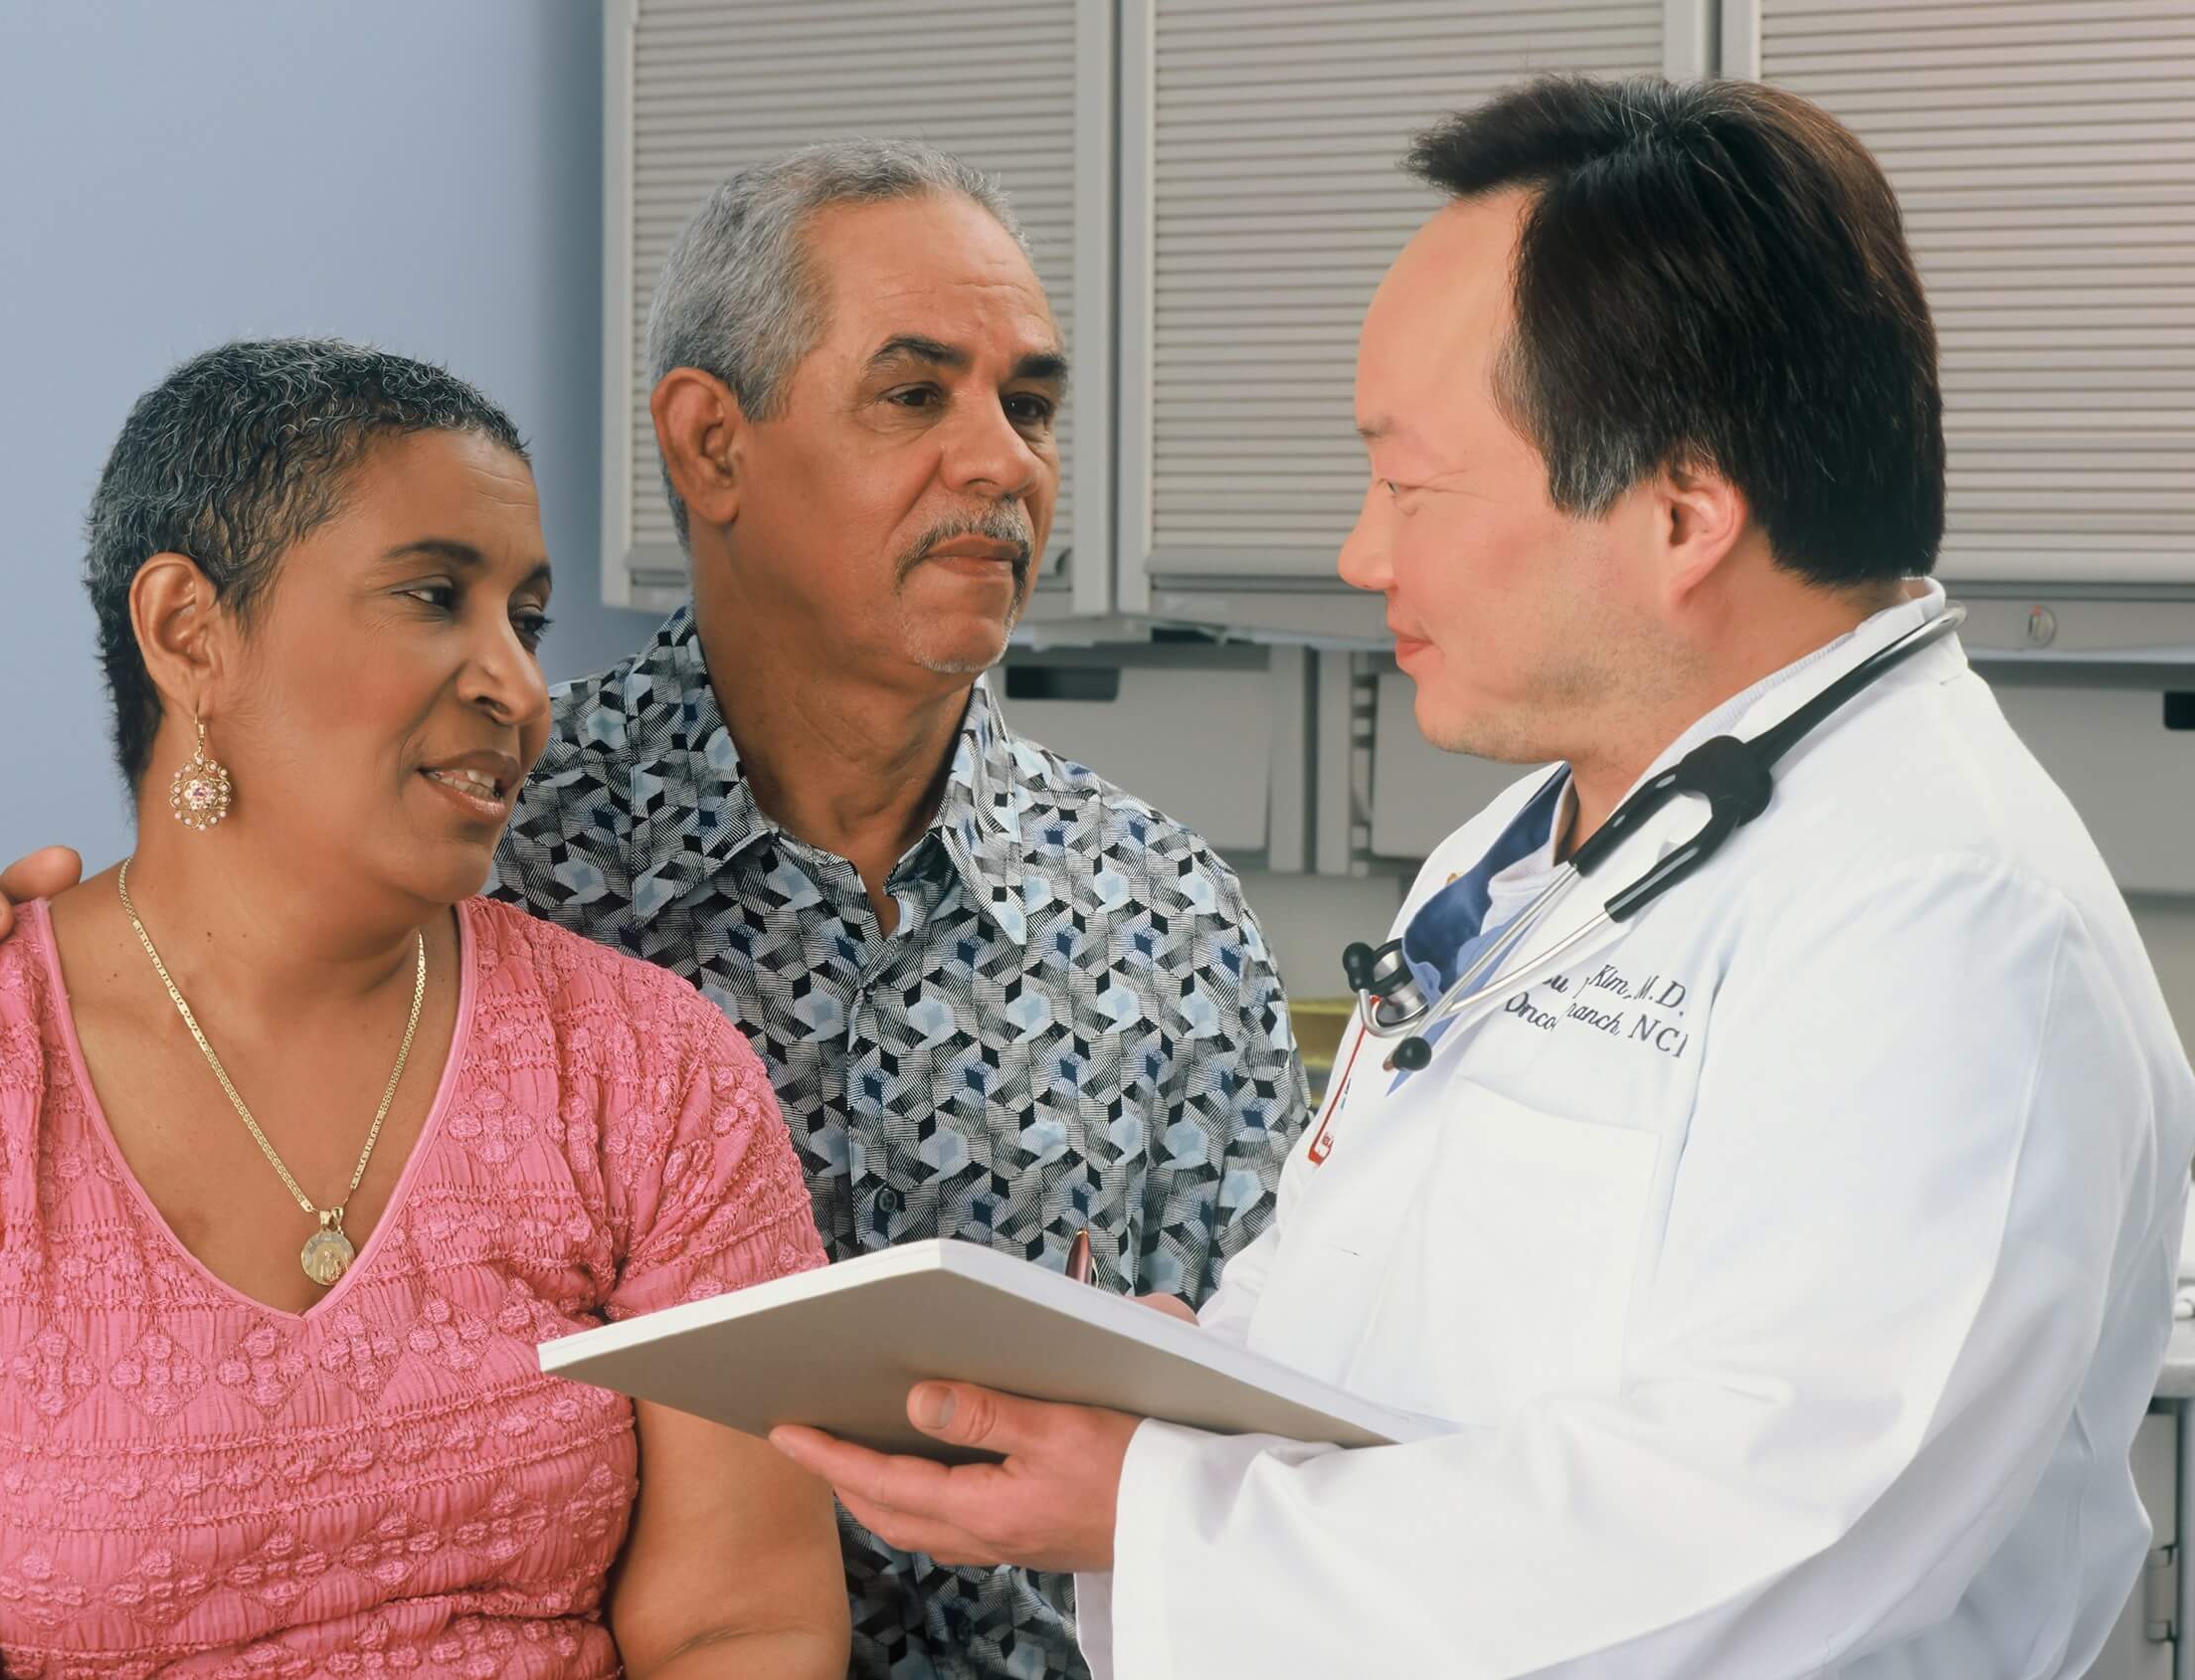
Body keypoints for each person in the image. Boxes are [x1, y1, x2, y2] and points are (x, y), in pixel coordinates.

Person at [0, 141, 1308, 1680]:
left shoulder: (1164, 919)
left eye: (1034, 406)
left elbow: (1297, 1428)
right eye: (916, 393)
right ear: (709, 447)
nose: (1004, 460)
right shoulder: (471, 829)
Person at [767, 76, 2195, 1678]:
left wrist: (1161, 1507)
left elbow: (1773, 1541)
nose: (1362, 552)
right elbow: (1404, 1307)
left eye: (1413, 483)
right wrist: (1182, 1386)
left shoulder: (1949, 923)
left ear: (1682, 512)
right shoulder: (1525, 848)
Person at [0, 341, 847, 1679]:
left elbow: (744, 1623)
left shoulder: (649, 1070)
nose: (520, 688)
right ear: (190, 632)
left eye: (523, 621)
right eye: (431, 597)